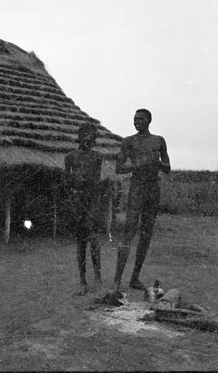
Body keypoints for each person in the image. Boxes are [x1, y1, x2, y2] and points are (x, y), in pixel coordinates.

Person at [110, 108, 170, 292]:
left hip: (153, 188)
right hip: (137, 188)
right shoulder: (128, 142)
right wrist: (136, 165)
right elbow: (119, 168)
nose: (137, 121)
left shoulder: (159, 141)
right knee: (129, 230)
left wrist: (157, 162)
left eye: (141, 119)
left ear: (149, 120)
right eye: (135, 119)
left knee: (146, 234)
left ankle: (135, 278)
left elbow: (167, 167)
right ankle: (117, 280)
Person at [65, 122, 104, 296]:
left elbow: (96, 181)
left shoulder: (97, 157)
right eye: (87, 136)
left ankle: (98, 277)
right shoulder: (70, 157)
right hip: (77, 200)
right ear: (80, 137)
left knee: (94, 239)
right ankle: (83, 281)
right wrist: (74, 199)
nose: (90, 140)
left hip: (92, 200)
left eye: (93, 137)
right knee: (81, 242)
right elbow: (67, 181)